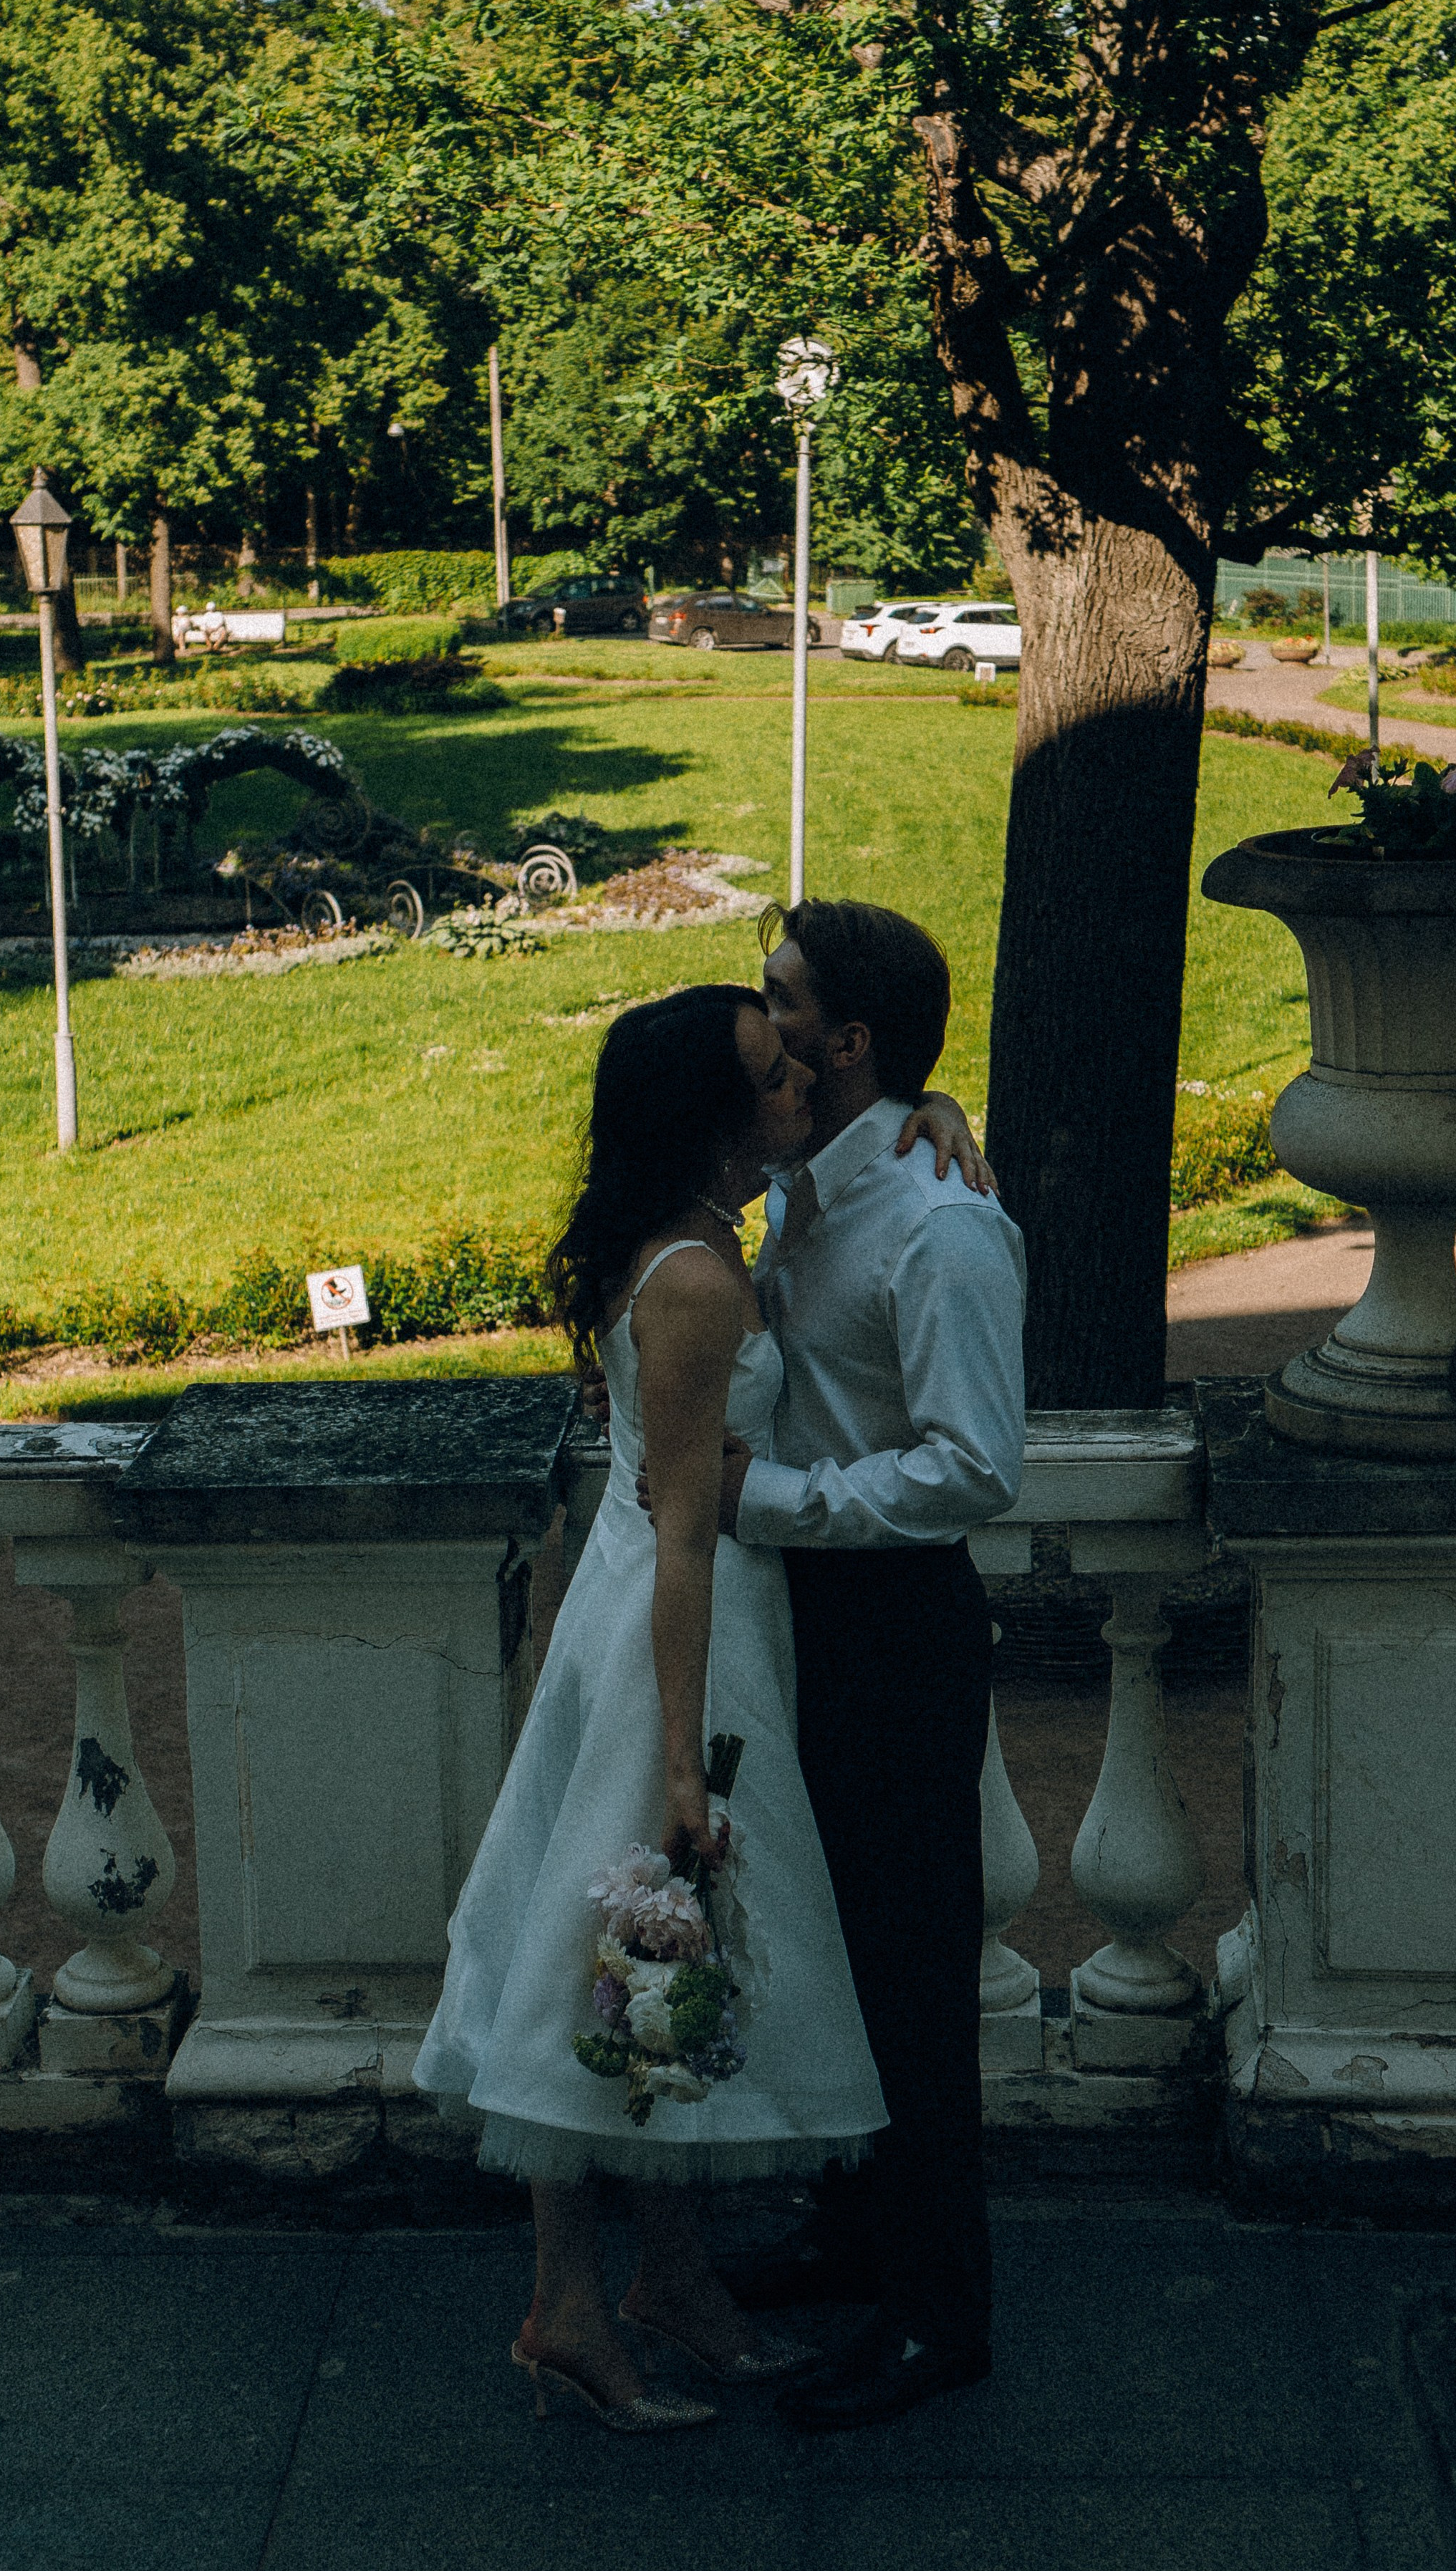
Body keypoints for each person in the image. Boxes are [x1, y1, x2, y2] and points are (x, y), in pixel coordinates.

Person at [413, 983, 888, 2436]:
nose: (798, 1083)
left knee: (647, 1959)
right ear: (708, 1116)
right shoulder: (695, 1280)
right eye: (769, 1076)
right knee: (623, 1949)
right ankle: (569, 2306)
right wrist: (681, 1758)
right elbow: (689, 1527)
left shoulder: (682, 1239)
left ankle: (668, 2285)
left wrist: (920, 1111)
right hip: (682, 1632)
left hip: (639, 1611)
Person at [717, 899, 1026, 2431]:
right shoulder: (818, 1181)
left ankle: (935, 2314)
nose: (754, 1010)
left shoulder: (939, 1222)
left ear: (843, 1038)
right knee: (820, 1944)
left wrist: (764, 1506)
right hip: (797, 1621)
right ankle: (852, 2235)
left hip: (891, 1625)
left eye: (778, 995)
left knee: (907, 1973)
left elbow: (975, 1469)